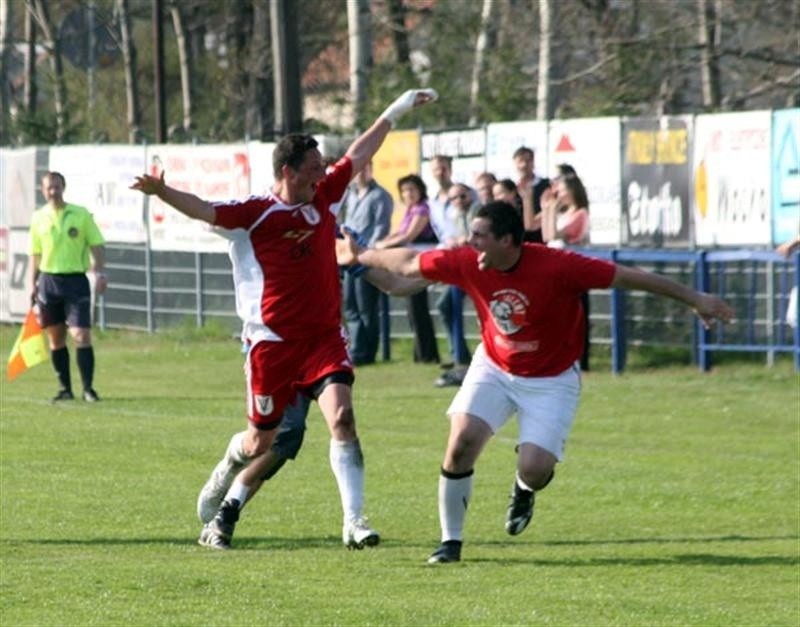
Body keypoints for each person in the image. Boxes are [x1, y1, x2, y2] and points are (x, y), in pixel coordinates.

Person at [338, 200, 735, 565]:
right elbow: (406, 267)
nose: (470, 241)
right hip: (494, 367)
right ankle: (450, 543)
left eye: (480, 236)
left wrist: (693, 297)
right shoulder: (468, 260)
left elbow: (629, 278)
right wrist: (360, 258)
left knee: (535, 468)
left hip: (551, 379)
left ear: (507, 241)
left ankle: (524, 489)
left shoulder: (559, 266)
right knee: (460, 442)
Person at [131, 88, 438, 550]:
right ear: (288, 172)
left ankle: (354, 521)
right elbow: (203, 208)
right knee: (261, 442)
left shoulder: (325, 196)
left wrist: (395, 110)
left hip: (322, 338)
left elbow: (358, 152)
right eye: (314, 169)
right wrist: (161, 191)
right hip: (271, 344)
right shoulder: (255, 214)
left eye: (322, 170)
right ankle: (229, 464)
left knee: (344, 419)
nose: (323, 175)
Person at [28, 171, 108, 403]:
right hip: (48, 281)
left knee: (81, 335)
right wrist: (32, 284)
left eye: (57, 186)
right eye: (49, 188)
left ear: (64, 187)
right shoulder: (38, 218)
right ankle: (65, 388)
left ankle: (88, 389)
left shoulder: (80, 214)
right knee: (56, 338)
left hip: (75, 281)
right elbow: (35, 254)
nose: (53, 191)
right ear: (43, 191)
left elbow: (97, 244)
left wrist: (100, 272)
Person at [376, 174, 440, 364]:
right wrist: (382, 242)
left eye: (411, 189)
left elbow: (409, 236)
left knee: (417, 308)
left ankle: (428, 354)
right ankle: (420, 354)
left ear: (420, 190)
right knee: (412, 309)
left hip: (420, 261)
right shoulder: (410, 210)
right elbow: (398, 233)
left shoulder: (422, 209)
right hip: (410, 262)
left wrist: (381, 247)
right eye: (404, 190)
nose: (408, 193)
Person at [342, 161, 394, 365]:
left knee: (366, 306)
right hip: (348, 256)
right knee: (350, 304)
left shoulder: (380, 196)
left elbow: (381, 228)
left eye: (365, 168)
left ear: (371, 169)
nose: (361, 173)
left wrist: (365, 252)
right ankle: (356, 348)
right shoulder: (351, 193)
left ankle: (368, 352)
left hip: (366, 256)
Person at [434, 183, 478, 387]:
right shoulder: (453, 215)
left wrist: (462, 240)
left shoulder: (476, 211)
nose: (459, 201)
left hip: (479, 267)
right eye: (454, 198)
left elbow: (473, 237)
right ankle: (459, 354)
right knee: (445, 305)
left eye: (462, 196)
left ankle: (463, 358)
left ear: (470, 194)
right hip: (461, 268)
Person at [513, 146, 549, 243]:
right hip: (520, 242)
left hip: (542, 240)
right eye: (520, 161)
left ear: (533, 163)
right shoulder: (512, 189)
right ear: (515, 164)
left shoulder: (546, 185)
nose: (524, 165)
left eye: (528, 160)